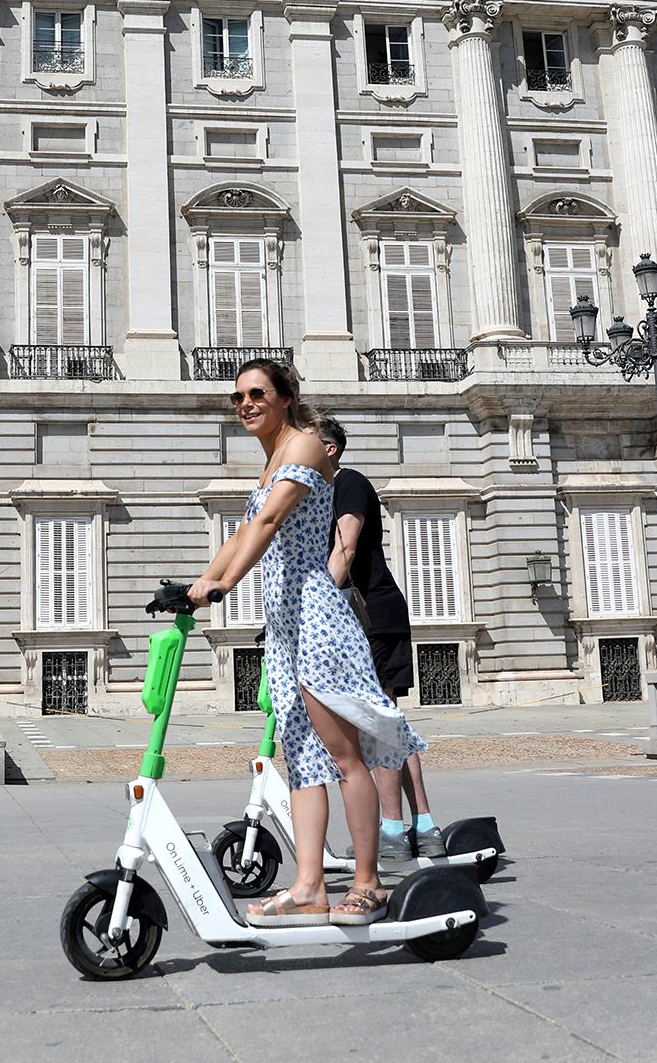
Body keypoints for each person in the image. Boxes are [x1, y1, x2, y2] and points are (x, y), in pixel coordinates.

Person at [188, 360, 423, 927]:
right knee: (302, 760)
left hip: (318, 617)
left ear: (287, 397)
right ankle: (309, 885)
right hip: (286, 624)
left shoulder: (309, 447)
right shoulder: (271, 461)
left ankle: (369, 883)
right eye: (238, 397)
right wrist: (194, 582)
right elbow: (244, 531)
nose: (245, 404)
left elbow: (268, 523)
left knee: (343, 755)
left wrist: (222, 585)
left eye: (257, 393)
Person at [316, 417, 441, 860]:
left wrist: (314, 604)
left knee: (377, 722)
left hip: (371, 615)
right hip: (355, 616)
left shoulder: (348, 482)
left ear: (329, 448)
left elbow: (345, 549)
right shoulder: (318, 495)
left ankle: (392, 829)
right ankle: (423, 825)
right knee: (386, 721)